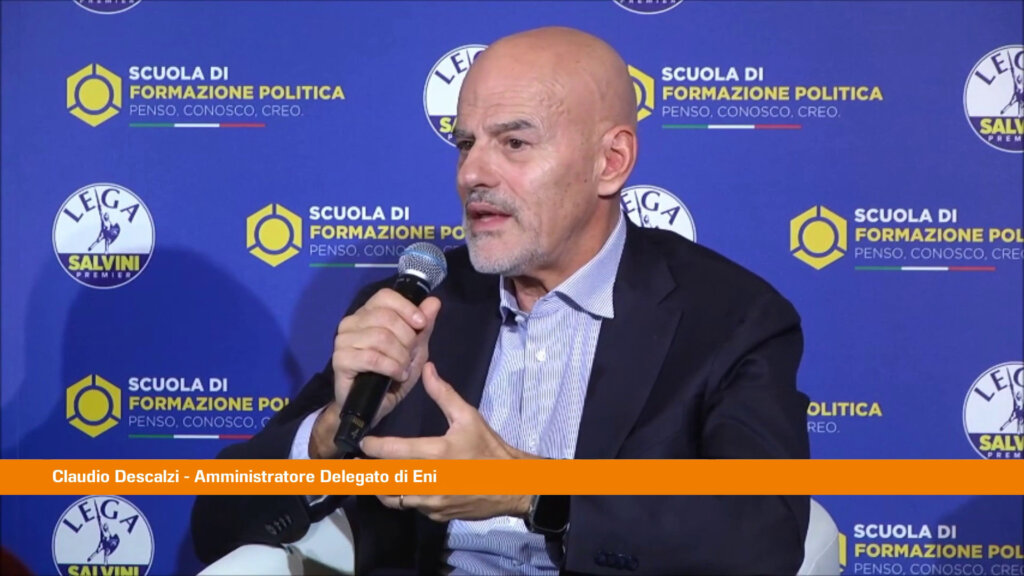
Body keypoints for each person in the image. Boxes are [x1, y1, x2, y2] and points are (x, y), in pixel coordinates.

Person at [191, 26, 811, 575]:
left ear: (611, 161)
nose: (472, 174)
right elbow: (216, 524)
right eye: (466, 144)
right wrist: (330, 435)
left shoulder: (731, 318)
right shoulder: (415, 306)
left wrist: (531, 492)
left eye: (514, 143)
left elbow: (764, 536)